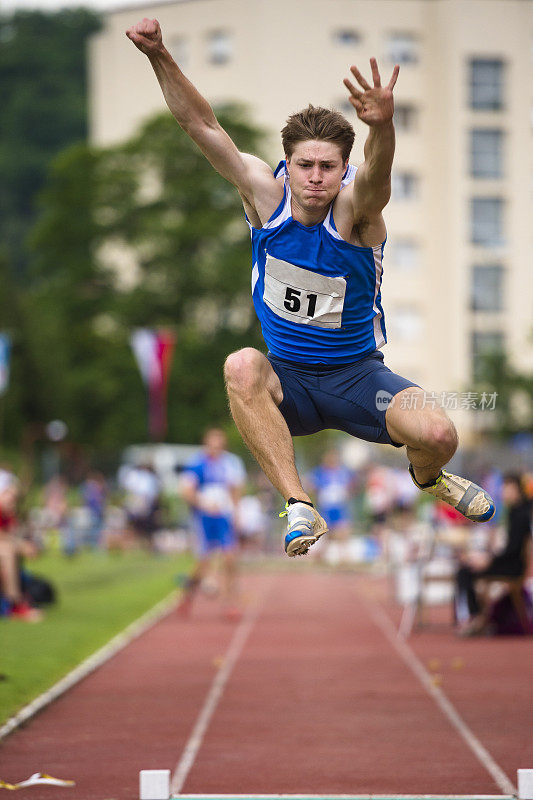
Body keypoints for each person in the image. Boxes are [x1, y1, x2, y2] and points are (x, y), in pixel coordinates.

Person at [126, 18, 495, 558]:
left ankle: (429, 478)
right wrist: (159, 53)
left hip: (358, 377)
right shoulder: (262, 196)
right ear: (288, 164)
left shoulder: (355, 216)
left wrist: (383, 127)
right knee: (239, 365)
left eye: (329, 166)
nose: (316, 177)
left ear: (344, 168)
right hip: (289, 381)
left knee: (440, 434)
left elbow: (379, 179)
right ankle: (299, 504)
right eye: (306, 165)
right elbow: (201, 125)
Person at [178, 428, 245, 618]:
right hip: (204, 517)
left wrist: (237, 514)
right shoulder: (197, 463)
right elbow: (186, 491)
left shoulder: (231, 463)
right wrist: (204, 503)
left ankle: (230, 603)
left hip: (224, 516)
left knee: (230, 558)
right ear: (206, 443)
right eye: (212, 443)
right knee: (204, 562)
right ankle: (187, 593)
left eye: (219, 443)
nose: (215, 447)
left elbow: (236, 490)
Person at [455, 473, 532, 635]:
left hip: (513, 567)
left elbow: (513, 550)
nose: (503, 491)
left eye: (506, 488)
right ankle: (476, 616)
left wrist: (489, 560)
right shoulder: (515, 511)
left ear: (516, 489)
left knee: (465, 571)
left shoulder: (521, 514)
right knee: (468, 567)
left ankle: (474, 617)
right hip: (508, 562)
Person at [307, 449, 356, 555]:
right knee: (327, 534)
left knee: (343, 531)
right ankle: (320, 555)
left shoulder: (342, 472)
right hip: (326, 507)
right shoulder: (320, 472)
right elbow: (311, 485)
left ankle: (344, 556)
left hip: (340, 507)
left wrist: (347, 493)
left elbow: (351, 486)